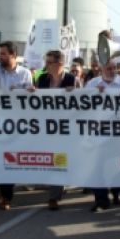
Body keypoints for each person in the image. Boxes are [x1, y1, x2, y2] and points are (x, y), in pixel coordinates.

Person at [0, 41, 34, 210]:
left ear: (13, 55)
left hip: (16, 124)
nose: (0, 56)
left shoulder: (25, 73)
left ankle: (6, 195)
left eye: (4, 54)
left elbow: (28, 97)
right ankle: (4, 193)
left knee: (11, 160)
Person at [35, 50, 81, 210]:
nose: (46, 65)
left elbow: (82, 101)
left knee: (60, 159)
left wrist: (74, 93)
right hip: (47, 127)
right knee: (54, 159)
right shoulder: (41, 79)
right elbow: (37, 101)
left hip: (66, 127)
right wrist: (30, 94)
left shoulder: (71, 79)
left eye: (49, 62)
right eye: (46, 62)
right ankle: (56, 190)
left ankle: (54, 196)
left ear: (59, 64)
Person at [86, 59, 120, 212]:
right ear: (101, 69)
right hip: (99, 133)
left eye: (114, 68)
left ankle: (117, 192)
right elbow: (82, 104)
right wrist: (94, 94)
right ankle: (101, 200)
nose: (112, 71)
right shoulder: (92, 84)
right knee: (95, 166)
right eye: (108, 68)